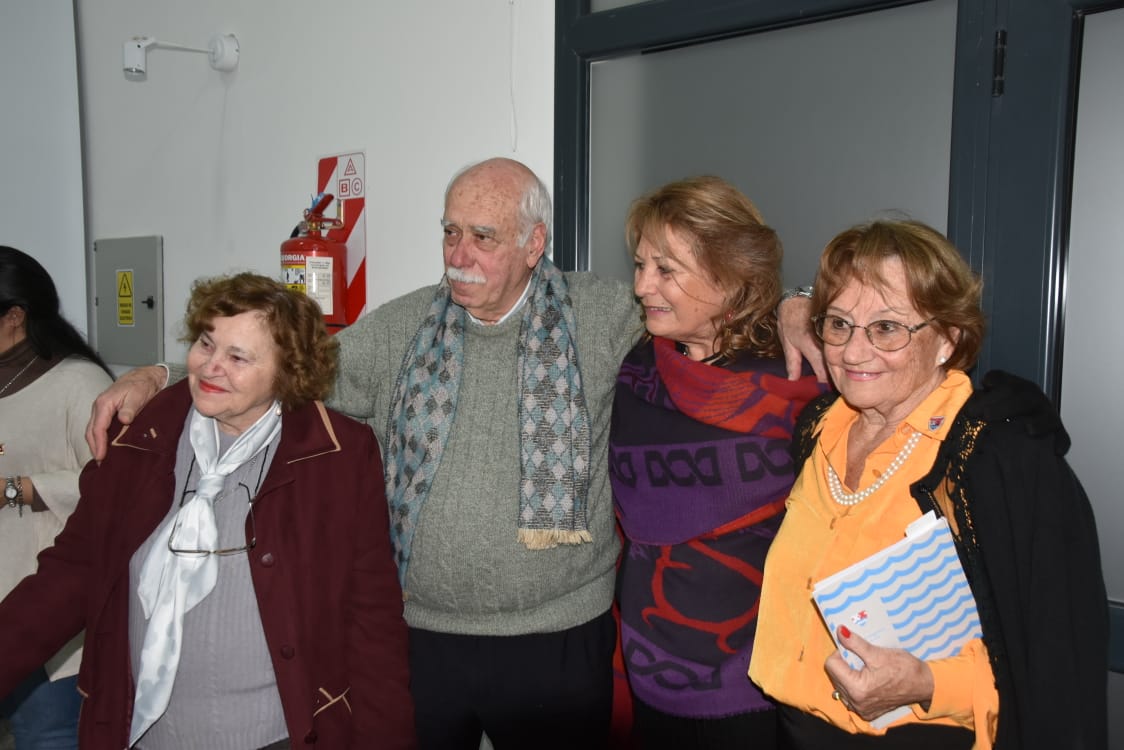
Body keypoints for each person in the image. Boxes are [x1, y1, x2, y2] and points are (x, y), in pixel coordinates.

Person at [84, 158, 824, 749]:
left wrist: (795, 301)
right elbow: (278, 370)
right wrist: (158, 375)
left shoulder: (608, 314)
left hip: (561, 642)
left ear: (534, 244)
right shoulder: (403, 327)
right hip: (422, 640)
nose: (459, 255)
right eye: (449, 233)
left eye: (484, 236)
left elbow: (713, 298)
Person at [0, 272, 415, 749]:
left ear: (287, 371)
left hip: (278, 736)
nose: (211, 367)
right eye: (205, 343)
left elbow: (372, 622)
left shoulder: (337, 456)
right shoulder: (141, 438)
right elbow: (69, 573)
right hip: (143, 734)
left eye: (238, 357)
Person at [749, 219, 1108, 749]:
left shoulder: (998, 461)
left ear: (947, 338)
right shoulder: (819, 427)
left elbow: (1058, 662)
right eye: (839, 324)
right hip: (793, 730)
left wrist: (928, 683)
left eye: (888, 328)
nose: (852, 351)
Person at [609, 177, 826, 749]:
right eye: (640, 265)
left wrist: (804, 301)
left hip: (755, 690)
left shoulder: (794, 376)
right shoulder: (636, 369)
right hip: (646, 671)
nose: (641, 286)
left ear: (730, 276)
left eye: (666, 269)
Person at [0, 246, 114, 749]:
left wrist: (16, 489)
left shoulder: (78, 381)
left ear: (15, 316)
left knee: (46, 735)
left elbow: (112, 487)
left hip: (49, 621)